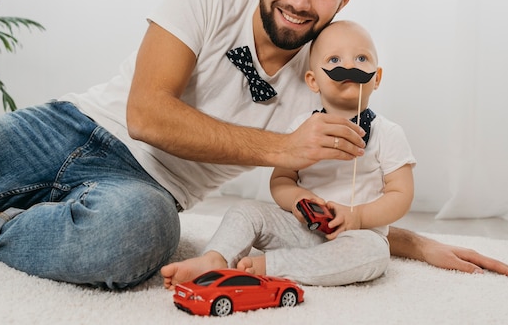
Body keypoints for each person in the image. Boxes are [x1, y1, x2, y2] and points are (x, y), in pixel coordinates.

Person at [0, 0, 508, 289]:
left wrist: (416, 241)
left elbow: (340, 204)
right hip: (66, 127)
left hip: (145, 190)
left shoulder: (330, 80)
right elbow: (146, 114)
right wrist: (283, 146)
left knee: (132, 241)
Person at [161, 20, 416, 287]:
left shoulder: (388, 133)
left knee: (375, 254)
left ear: (377, 77)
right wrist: (297, 199)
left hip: (357, 235)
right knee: (246, 211)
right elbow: (281, 179)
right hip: (301, 229)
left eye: (361, 58)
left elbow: (400, 194)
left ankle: (270, 267)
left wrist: (360, 216)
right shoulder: (302, 128)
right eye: (334, 58)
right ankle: (215, 258)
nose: (349, 66)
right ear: (313, 80)